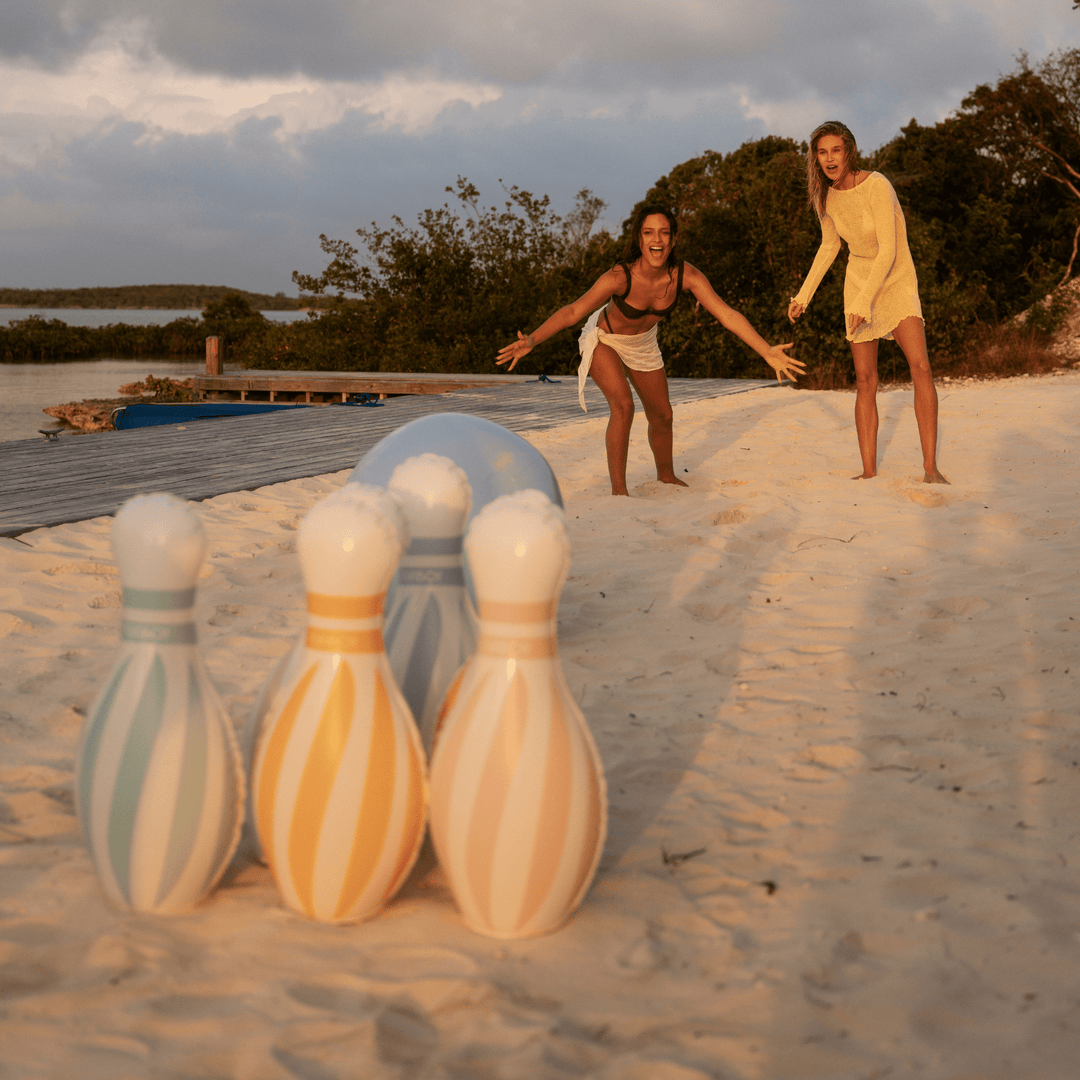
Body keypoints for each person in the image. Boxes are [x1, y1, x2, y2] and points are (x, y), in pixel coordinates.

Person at [496, 204, 804, 496]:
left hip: (643, 344)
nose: (657, 239)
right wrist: (532, 340)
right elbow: (572, 313)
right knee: (624, 406)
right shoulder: (620, 277)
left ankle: (666, 475)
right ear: (639, 240)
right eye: (648, 232)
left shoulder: (687, 275)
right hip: (605, 338)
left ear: (673, 239)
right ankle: (619, 491)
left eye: (664, 232)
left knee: (663, 416)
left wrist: (766, 351)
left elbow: (727, 315)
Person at [787, 121, 949, 484]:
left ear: (849, 151)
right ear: (815, 157)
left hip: (894, 278)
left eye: (836, 150)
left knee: (920, 367)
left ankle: (930, 468)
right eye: (822, 152)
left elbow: (890, 249)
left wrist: (865, 301)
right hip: (858, 279)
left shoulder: (877, 185)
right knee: (864, 380)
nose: (829, 159)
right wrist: (803, 295)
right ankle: (869, 471)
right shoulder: (825, 197)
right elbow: (830, 247)